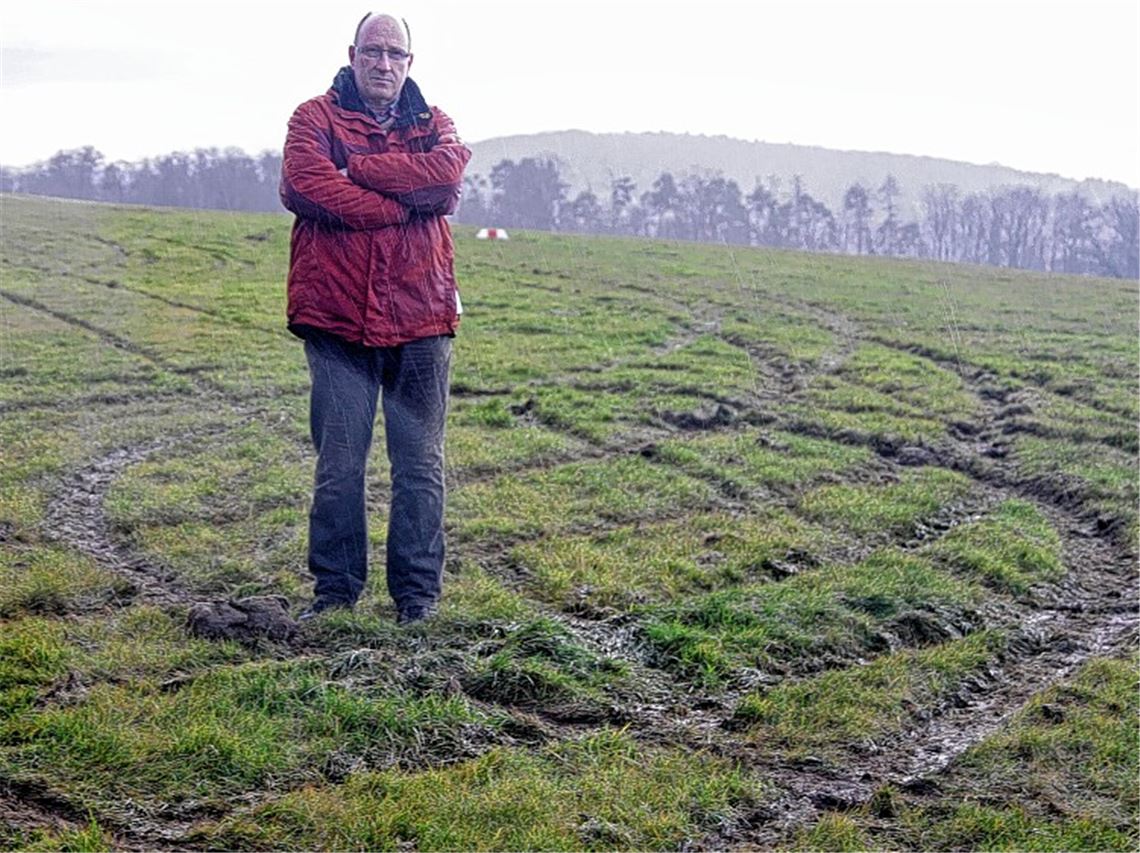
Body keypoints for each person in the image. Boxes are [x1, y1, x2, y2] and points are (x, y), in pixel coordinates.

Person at [279, 12, 470, 625]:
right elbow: (305, 187)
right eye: (372, 51)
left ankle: (417, 599)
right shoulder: (313, 118)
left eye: (395, 54)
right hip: (337, 323)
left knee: (420, 464)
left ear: (409, 62)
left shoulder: (434, 123)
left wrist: (356, 169)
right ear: (352, 54)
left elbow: (445, 181)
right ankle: (335, 595)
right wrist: (398, 204)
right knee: (340, 464)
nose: (383, 63)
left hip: (422, 317)